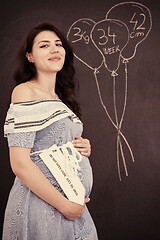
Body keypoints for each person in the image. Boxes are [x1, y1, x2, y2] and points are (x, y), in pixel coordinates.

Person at [2, 22, 98, 239]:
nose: (55, 49)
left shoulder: (62, 99)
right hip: (44, 204)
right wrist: (64, 205)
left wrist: (81, 146)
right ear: (30, 56)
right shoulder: (25, 92)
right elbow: (19, 163)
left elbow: (51, 142)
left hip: (70, 205)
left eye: (58, 44)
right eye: (44, 45)